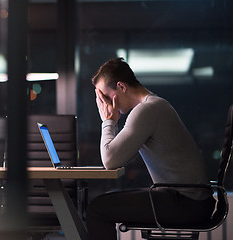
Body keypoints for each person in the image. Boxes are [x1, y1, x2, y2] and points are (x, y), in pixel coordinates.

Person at [86, 58, 216, 240]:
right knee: (106, 200)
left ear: (121, 87)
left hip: (186, 204)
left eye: (106, 97)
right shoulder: (155, 104)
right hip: (192, 200)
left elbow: (110, 160)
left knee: (97, 208)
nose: (105, 104)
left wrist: (108, 121)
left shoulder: (146, 110)